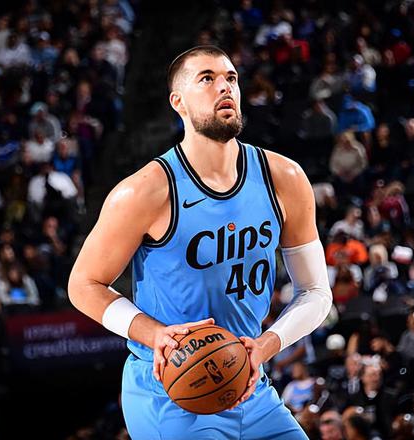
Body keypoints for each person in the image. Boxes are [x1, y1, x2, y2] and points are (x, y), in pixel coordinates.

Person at [68, 46, 334, 439]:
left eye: (231, 78)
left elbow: (315, 292)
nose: (224, 87)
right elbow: (83, 285)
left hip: (247, 382)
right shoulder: (144, 191)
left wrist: (264, 346)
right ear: (178, 102)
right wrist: (155, 334)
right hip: (171, 388)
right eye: (207, 79)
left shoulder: (284, 178)